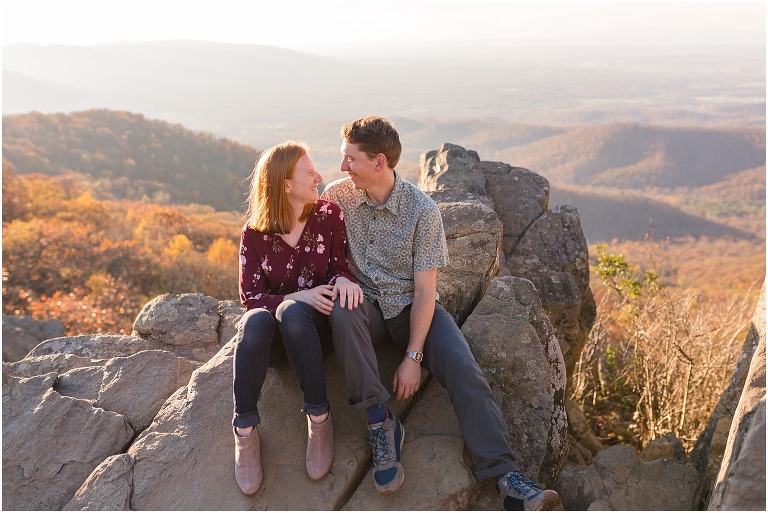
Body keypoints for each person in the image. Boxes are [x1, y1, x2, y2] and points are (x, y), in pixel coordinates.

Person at [321, 116, 562, 511]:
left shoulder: (422, 211)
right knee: (344, 314)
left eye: (351, 159)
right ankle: (380, 421)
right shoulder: (338, 197)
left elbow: (424, 290)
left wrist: (413, 358)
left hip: (411, 309)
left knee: (464, 368)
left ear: (379, 162)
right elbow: (307, 242)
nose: (344, 167)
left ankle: (506, 478)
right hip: (365, 307)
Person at [232, 141, 364, 495]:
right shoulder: (254, 234)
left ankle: (319, 420)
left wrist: (347, 282)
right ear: (285, 185)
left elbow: (340, 267)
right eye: (309, 173)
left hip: (313, 336)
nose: (319, 176)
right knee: (255, 321)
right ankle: (245, 432)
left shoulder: (328, 216)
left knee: (292, 313)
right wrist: (296, 295)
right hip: (275, 347)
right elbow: (251, 298)